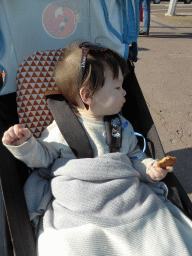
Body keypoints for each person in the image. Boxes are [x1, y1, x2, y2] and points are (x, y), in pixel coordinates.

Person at [2, 42, 172, 183]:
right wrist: (23, 144)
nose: (125, 92)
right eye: (118, 87)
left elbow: (134, 157)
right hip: (79, 190)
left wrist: (149, 167)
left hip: (119, 188)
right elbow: (43, 157)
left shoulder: (121, 125)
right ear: (88, 95)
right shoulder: (64, 128)